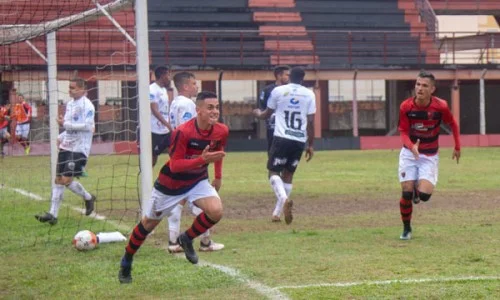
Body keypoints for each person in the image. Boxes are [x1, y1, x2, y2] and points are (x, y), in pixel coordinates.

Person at [118, 91, 228, 283]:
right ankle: (127, 259)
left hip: (197, 181)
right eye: (210, 107)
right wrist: (201, 159)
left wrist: (218, 177)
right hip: (170, 185)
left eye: (217, 107)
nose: (215, 111)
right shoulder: (182, 132)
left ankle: (186, 238)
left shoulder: (221, 130)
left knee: (216, 211)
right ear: (198, 110)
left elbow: (219, 153)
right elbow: (175, 165)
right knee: (148, 224)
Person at [398, 71, 461, 240]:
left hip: (430, 155)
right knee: (406, 193)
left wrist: (457, 146)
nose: (420, 88)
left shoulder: (440, 106)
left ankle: (418, 194)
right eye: (418, 84)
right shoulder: (406, 106)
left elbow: (453, 123)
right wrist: (412, 146)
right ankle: (406, 228)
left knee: (424, 196)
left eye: (424, 85)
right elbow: (403, 131)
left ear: (432, 89)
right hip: (409, 154)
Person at [166, 72, 224, 253]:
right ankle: (204, 242)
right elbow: (188, 131)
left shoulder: (175, 103)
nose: (196, 86)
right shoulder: (187, 104)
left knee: (179, 200)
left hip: (179, 157)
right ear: (184, 86)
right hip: (191, 160)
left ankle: (173, 241)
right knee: (204, 201)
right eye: (193, 83)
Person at [253, 66, 316, 224]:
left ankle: (283, 198)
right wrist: (311, 144)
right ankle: (277, 213)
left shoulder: (278, 91)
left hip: (281, 137)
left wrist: (257, 114)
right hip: (299, 140)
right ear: (303, 78)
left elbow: (266, 114)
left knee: (273, 172)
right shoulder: (309, 94)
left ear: (290, 76)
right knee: (288, 175)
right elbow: (311, 122)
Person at [35, 78, 96, 225]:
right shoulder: (70, 104)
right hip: (66, 146)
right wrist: (61, 136)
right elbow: (70, 127)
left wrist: (65, 124)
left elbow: (88, 126)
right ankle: (52, 215)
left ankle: (88, 197)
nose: (70, 90)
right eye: (69, 87)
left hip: (79, 148)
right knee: (58, 180)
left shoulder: (88, 106)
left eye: (73, 88)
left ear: (82, 89)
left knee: (66, 180)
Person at [138, 66, 173, 167]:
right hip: (154, 130)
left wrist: (168, 123)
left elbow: (165, 109)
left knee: (174, 151)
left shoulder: (163, 90)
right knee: (152, 158)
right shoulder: (152, 89)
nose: (169, 77)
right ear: (162, 75)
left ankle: (177, 175)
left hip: (165, 130)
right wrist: (167, 124)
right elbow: (154, 110)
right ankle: (146, 180)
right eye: (168, 74)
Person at [258, 65, 290, 153]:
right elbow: (262, 108)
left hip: (288, 128)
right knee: (272, 153)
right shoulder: (267, 90)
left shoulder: (292, 90)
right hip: (273, 128)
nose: (289, 77)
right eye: (287, 75)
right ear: (279, 76)